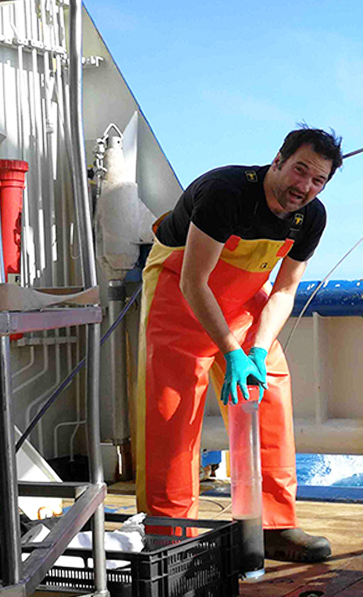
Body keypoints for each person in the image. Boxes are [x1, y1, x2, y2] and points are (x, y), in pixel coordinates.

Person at [134, 126, 341, 562]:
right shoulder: (226, 192)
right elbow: (193, 281)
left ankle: (272, 526)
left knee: (269, 392)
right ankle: (169, 535)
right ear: (279, 160)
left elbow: (283, 291)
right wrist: (230, 352)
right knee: (173, 409)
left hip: (243, 300)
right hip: (181, 292)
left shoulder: (312, 218)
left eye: (317, 180)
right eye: (299, 169)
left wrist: (258, 351)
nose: (303, 186)